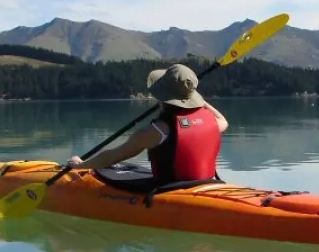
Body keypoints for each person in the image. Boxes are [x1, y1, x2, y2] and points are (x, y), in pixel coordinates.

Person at [66, 63, 228, 184]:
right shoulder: (211, 121)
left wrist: (81, 165)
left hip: (171, 187)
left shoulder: (157, 130)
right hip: (206, 182)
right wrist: (197, 100)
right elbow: (224, 122)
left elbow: (117, 154)